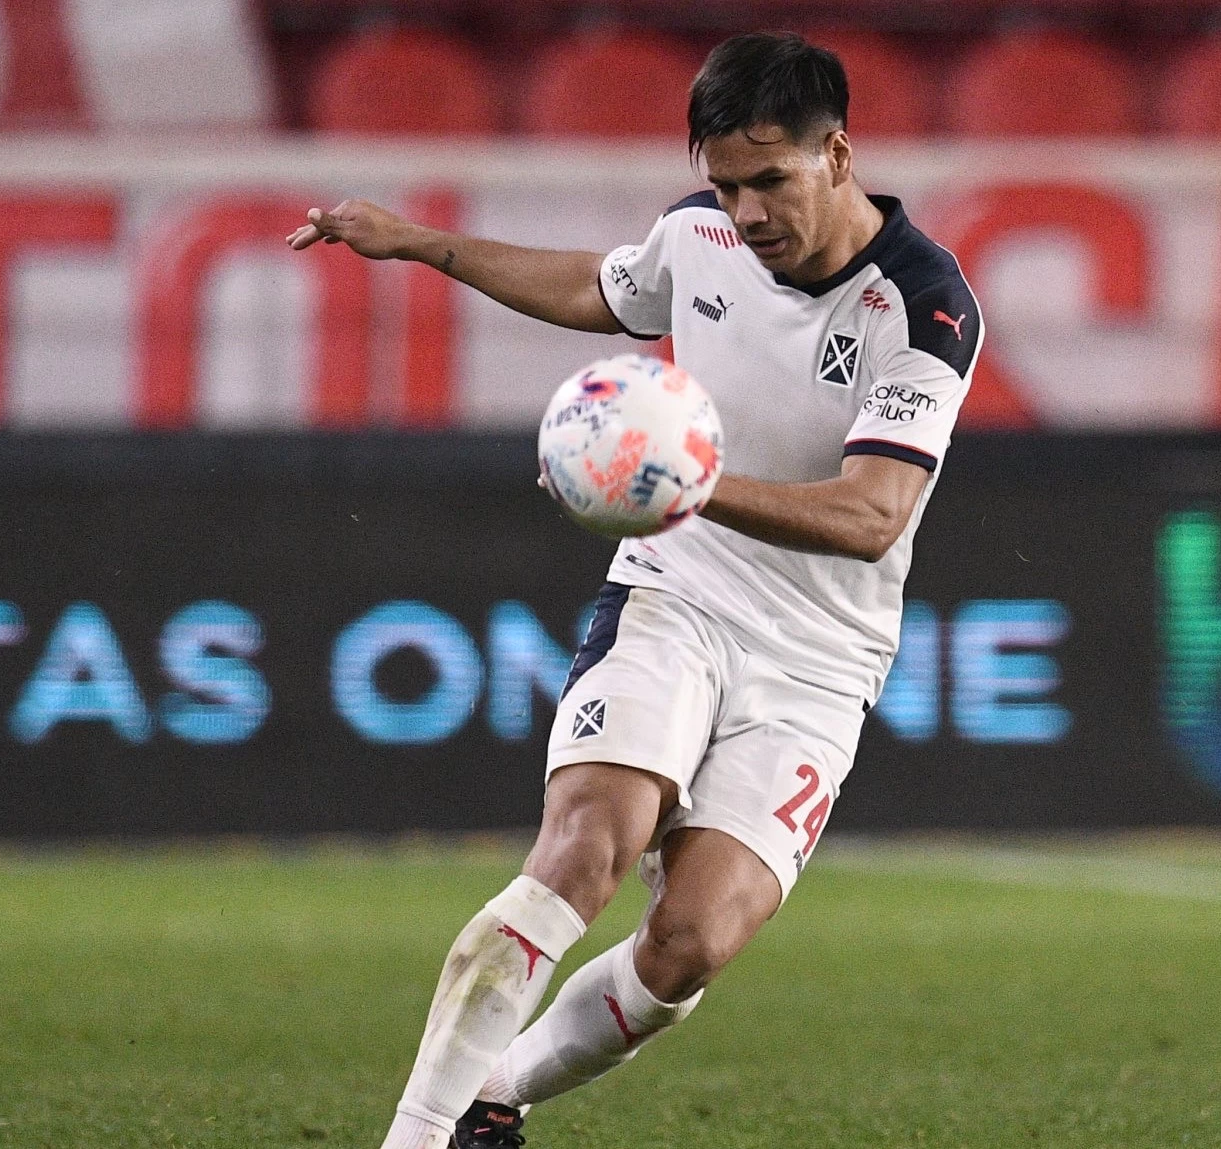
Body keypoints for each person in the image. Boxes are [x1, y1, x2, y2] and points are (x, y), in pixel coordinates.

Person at [288, 32, 980, 1149]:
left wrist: (680, 479)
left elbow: (871, 515)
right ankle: (414, 1138)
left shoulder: (924, 305)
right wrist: (419, 243)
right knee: (583, 848)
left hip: (818, 657)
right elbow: (595, 287)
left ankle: (494, 1089)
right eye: (726, 185)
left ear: (838, 155)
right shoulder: (697, 236)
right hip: (676, 594)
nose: (746, 213)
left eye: (770, 181)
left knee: (688, 945)